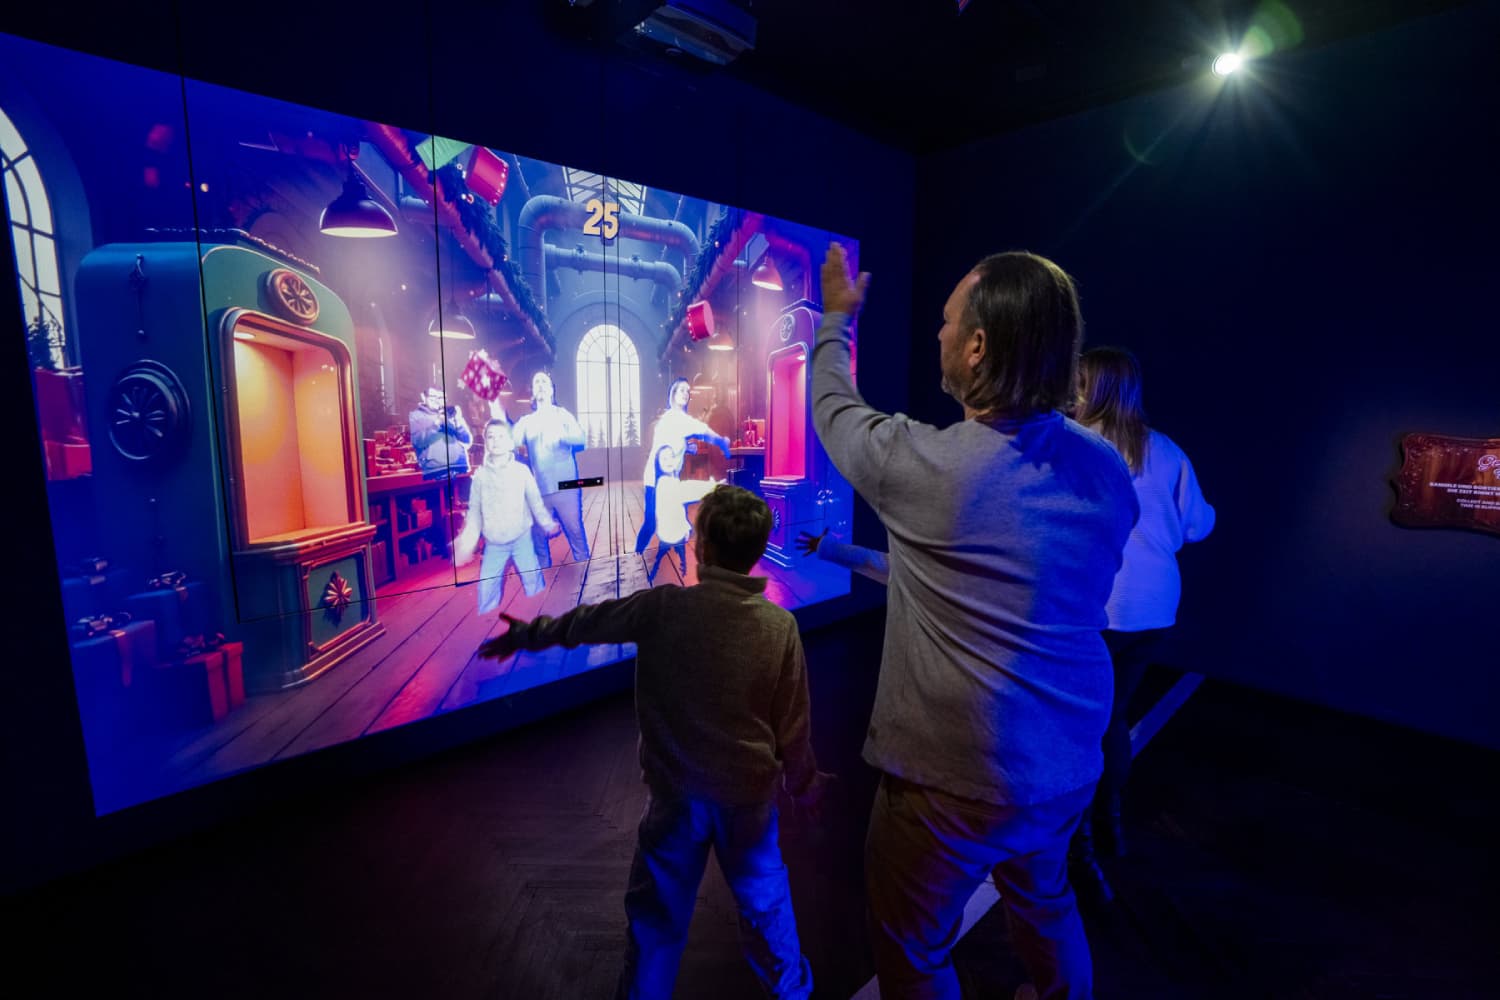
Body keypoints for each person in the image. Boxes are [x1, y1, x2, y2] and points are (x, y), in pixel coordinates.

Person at [813, 244, 1138, 1000]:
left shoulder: (919, 465)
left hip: (949, 785)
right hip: (1062, 769)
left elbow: (832, 406)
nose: (938, 333)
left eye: (948, 321)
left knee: (915, 948)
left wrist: (835, 321)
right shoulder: (1106, 469)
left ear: (978, 345)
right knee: (1046, 900)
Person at [478, 485, 829, 1000]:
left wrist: (529, 634)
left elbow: (588, 623)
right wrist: (803, 781)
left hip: (677, 796)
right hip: (748, 800)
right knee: (766, 907)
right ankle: (791, 992)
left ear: (700, 547)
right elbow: (793, 722)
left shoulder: (664, 609)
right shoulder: (780, 626)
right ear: (757, 552)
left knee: (656, 922)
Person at [1073, 347, 1215, 872]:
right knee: (1113, 717)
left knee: (1087, 721)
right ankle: (1108, 824)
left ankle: (1082, 834)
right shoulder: (1167, 450)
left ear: (1098, 389)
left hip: (1100, 605)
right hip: (1156, 606)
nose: (1072, 392)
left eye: (1080, 382)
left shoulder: (1079, 445)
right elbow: (1198, 525)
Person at [453, 420, 560, 614]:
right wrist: (466, 545)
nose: (496, 441)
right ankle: (487, 620)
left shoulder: (521, 472)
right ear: (485, 442)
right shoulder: (481, 477)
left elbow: (535, 502)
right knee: (487, 587)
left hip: (521, 538)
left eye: (501, 436)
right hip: (494, 542)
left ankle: (540, 615)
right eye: (491, 436)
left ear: (510, 442)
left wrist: (547, 524)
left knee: (532, 579)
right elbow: (475, 513)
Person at [633, 377, 732, 566]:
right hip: (657, 479)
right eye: (681, 391)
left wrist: (685, 447)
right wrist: (721, 442)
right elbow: (703, 430)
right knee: (651, 522)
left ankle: (677, 553)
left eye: (688, 391)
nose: (685, 394)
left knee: (673, 516)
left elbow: (668, 441)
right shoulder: (676, 418)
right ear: (672, 395)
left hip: (666, 478)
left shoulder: (673, 419)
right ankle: (636, 556)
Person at [511, 371, 591, 568]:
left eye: (544, 381)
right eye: (536, 381)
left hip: (566, 485)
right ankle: (544, 579)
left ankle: (587, 569)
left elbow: (581, 439)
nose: (540, 384)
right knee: (538, 535)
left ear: (552, 390)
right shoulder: (526, 422)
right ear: (532, 392)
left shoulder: (562, 415)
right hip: (540, 487)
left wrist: (563, 436)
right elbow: (511, 442)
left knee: (574, 530)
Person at [409, 386, 472, 481]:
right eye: (433, 397)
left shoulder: (452, 413)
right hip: (436, 470)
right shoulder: (416, 415)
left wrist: (456, 422)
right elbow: (418, 441)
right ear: (423, 397)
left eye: (441, 398)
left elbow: (466, 440)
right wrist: (437, 422)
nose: (437, 401)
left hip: (459, 466)